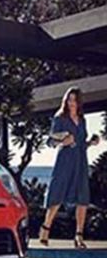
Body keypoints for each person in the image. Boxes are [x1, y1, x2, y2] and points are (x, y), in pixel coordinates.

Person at [39, 87, 100, 249]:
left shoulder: (83, 120)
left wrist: (91, 143)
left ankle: (79, 236)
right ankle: (45, 228)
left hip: (80, 161)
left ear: (79, 102)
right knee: (57, 194)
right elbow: (50, 142)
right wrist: (62, 142)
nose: (71, 103)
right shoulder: (60, 118)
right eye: (69, 99)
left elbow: (80, 144)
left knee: (83, 198)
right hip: (65, 161)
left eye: (74, 100)